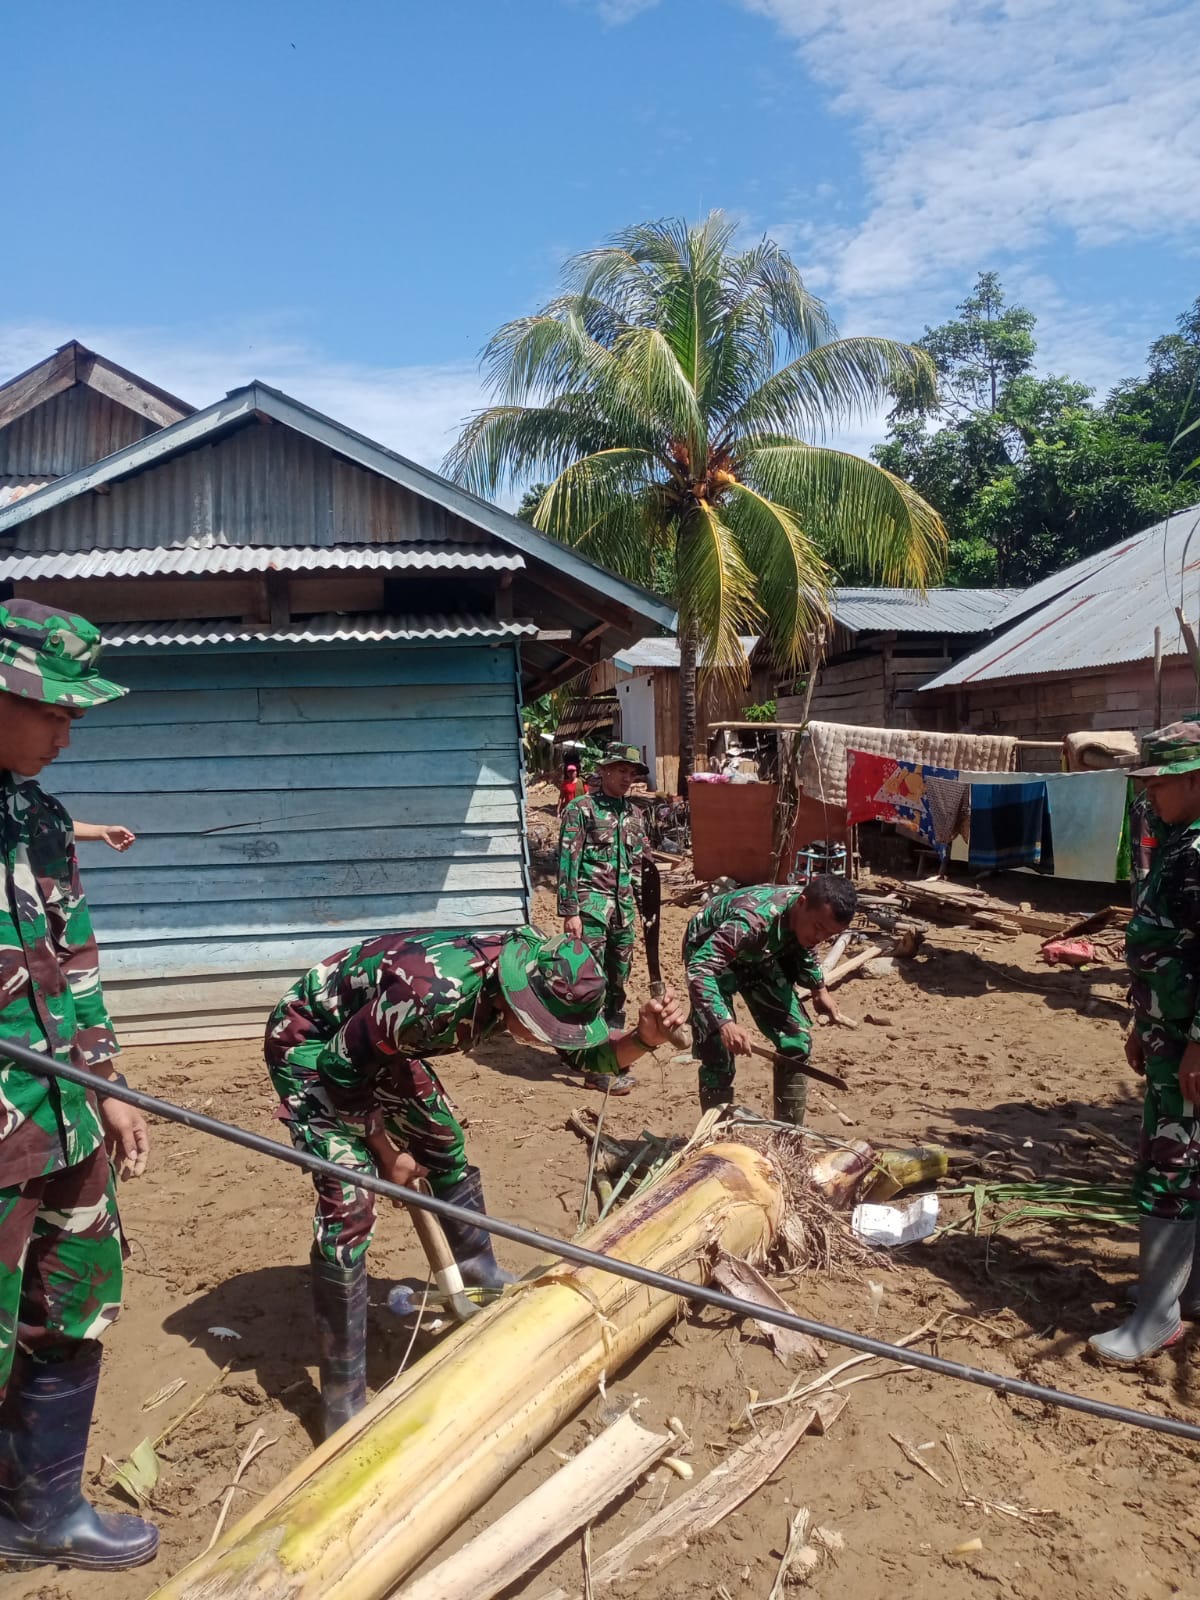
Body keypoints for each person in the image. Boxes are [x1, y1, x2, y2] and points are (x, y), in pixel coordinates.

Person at [264, 926, 686, 1438]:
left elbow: (585, 1057)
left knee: (442, 1141)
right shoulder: (433, 997)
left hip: (382, 1042)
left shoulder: (553, 977)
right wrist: (385, 1153)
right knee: (351, 1197)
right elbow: (342, 1066)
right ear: (515, 996)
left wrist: (644, 1040)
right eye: (539, 1027)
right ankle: (342, 1398)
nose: (543, 1041)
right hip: (313, 1043)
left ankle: (478, 1273)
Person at [0, 599, 156, 1571]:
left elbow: (78, 965)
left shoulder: (44, 820)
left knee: (74, 1301)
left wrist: (110, 1085)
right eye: (53, 710)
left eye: (75, 716)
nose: (67, 730)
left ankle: (40, 1516)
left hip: (60, 1124)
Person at [1089, 722, 1200, 1364]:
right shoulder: (1183, 843)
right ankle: (1183, 1296)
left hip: (1189, 1046)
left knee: (1171, 1165)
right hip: (1172, 1035)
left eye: (1160, 781)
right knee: (1188, 1160)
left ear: (1194, 779)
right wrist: (1143, 1022)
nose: (1150, 793)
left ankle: (1155, 1318)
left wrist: (1196, 1044)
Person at [683, 875, 857, 1120]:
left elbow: (807, 946)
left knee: (796, 1039)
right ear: (802, 903)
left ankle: (787, 1138)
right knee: (719, 1054)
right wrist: (724, 1023)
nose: (820, 937)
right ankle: (714, 1140)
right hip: (710, 956)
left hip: (761, 955)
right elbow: (700, 969)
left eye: (829, 935)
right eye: (819, 928)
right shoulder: (752, 920)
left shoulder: (808, 916)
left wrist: (819, 989)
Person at [557, 742, 649, 1090]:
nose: (627, 778)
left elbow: (640, 866)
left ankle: (614, 1053)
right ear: (605, 771)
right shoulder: (582, 810)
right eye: (621, 771)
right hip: (591, 910)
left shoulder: (636, 815)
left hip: (624, 913)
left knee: (617, 983)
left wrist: (645, 911)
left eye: (632, 773)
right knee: (588, 984)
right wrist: (570, 912)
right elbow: (567, 862)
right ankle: (592, 1062)